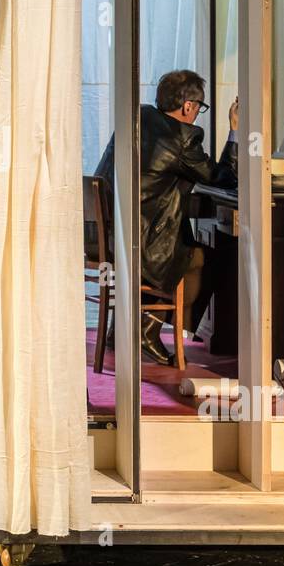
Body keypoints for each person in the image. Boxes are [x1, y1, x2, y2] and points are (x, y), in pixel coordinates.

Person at [95, 70, 238, 366]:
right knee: (204, 257)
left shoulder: (138, 119)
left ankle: (118, 330)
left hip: (106, 236)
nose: (198, 114)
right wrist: (234, 130)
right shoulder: (180, 137)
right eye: (200, 107)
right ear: (188, 106)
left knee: (187, 244)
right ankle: (148, 329)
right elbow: (221, 177)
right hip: (141, 242)